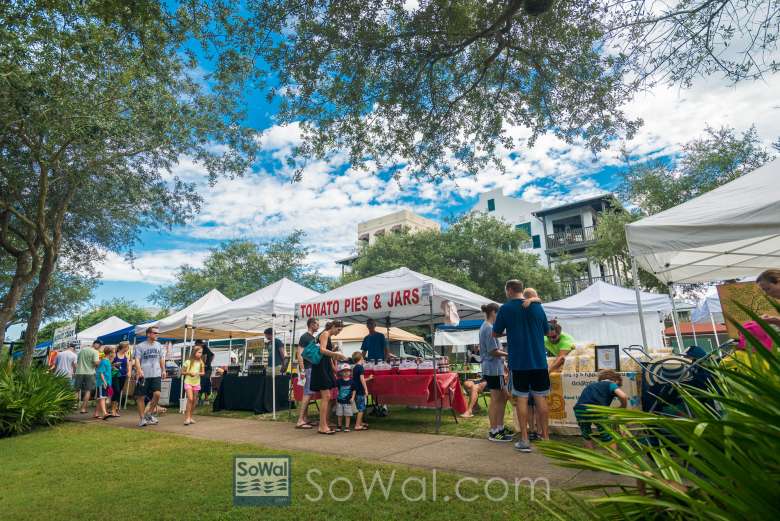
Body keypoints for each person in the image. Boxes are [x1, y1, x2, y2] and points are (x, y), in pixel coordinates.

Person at [493, 279, 551, 453]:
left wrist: (510, 328)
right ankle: (546, 437)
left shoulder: (505, 309)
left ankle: (525, 440)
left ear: (510, 290)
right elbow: (547, 331)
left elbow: (495, 333)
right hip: (539, 361)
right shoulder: (537, 307)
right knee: (541, 398)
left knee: (522, 400)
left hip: (519, 363)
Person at [479, 303, 512, 442]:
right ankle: (494, 431)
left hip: (494, 367)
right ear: (494, 312)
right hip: (492, 369)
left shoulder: (486, 326)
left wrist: (504, 364)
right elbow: (493, 351)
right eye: (499, 314)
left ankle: (499, 427)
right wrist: (509, 354)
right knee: (496, 400)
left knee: (502, 398)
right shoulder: (489, 328)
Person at [309, 320, 348, 435]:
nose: (339, 332)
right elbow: (322, 350)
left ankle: (324, 424)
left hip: (324, 367)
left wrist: (333, 367)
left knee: (327, 396)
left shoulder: (327, 335)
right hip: (320, 368)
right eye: (338, 330)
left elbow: (326, 354)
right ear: (334, 326)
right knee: (326, 396)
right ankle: (322, 426)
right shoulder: (325, 334)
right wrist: (337, 355)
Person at [574, 370, 628, 449]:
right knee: (607, 435)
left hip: (580, 410)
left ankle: (591, 456)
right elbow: (623, 396)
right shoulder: (611, 384)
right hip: (596, 410)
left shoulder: (592, 385)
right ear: (616, 381)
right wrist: (623, 406)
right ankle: (614, 458)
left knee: (586, 433)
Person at [134, 326, 166, 427]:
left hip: (155, 374)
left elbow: (161, 359)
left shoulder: (159, 345)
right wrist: (139, 370)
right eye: (155, 333)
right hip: (144, 375)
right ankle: (142, 418)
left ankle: (149, 414)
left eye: (158, 333)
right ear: (148, 334)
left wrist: (163, 370)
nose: (157, 335)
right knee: (141, 397)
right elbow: (137, 360)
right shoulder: (140, 346)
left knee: (157, 394)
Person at [296, 318, 319, 429]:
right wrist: (303, 370)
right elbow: (299, 354)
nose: (318, 326)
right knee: (307, 394)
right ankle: (300, 420)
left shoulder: (312, 338)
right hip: (308, 369)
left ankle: (305, 418)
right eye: (316, 324)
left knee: (308, 393)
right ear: (311, 325)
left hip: (311, 368)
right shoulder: (305, 337)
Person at [74, 340, 101, 414]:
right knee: (88, 391)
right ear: (96, 345)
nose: (99, 347)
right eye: (99, 345)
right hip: (89, 373)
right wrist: (99, 362)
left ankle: (74, 406)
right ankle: (83, 409)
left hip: (79, 372)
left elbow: (78, 361)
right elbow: (96, 363)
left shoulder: (82, 350)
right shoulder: (95, 352)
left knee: (76, 390)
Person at [182, 345, 205, 425]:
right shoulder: (187, 362)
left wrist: (197, 373)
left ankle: (190, 417)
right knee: (190, 399)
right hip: (188, 382)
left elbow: (203, 373)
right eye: (199, 352)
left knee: (194, 400)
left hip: (196, 383)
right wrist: (189, 373)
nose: (200, 354)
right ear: (194, 352)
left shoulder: (201, 362)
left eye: (201, 352)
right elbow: (182, 372)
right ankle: (187, 418)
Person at [351, 351, 373, 430]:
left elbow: (360, 379)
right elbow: (362, 380)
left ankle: (360, 422)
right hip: (360, 391)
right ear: (361, 358)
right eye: (363, 358)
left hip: (356, 390)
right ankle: (357, 425)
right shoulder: (360, 367)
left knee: (359, 407)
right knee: (361, 408)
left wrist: (369, 378)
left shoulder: (355, 368)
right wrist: (366, 389)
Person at [109, 341, 130, 417]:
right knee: (116, 391)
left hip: (123, 376)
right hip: (115, 375)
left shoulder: (126, 356)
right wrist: (114, 365)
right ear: (124, 347)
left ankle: (114, 409)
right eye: (127, 347)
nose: (128, 348)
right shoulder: (115, 355)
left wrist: (129, 372)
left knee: (118, 392)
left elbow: (128, 365)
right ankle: (113, 409)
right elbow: (109, 364)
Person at [95, 346, 113, 420]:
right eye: (113, 352)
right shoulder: (103, 361)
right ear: (110, 353)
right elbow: (101, 373)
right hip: (102, 383)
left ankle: (96, 413)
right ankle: (105, 413)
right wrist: (105, 382)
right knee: (102, 398)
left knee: (101, 398)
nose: (114, 354)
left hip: (107, 382)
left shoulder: (107, 361)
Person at [335, 363, 354, 432]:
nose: (346, 372)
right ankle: (339, 426)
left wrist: (352, 398)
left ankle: (347, 427)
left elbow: (354, 390)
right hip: (340, 401)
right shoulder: (338, 381)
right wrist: (336, 397)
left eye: (347, 371)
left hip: (348, 401)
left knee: (347, 414)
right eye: (344, 371)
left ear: (350, 372)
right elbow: (336, 389)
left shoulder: (352, 381)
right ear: (341, 372)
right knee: (339, 414)